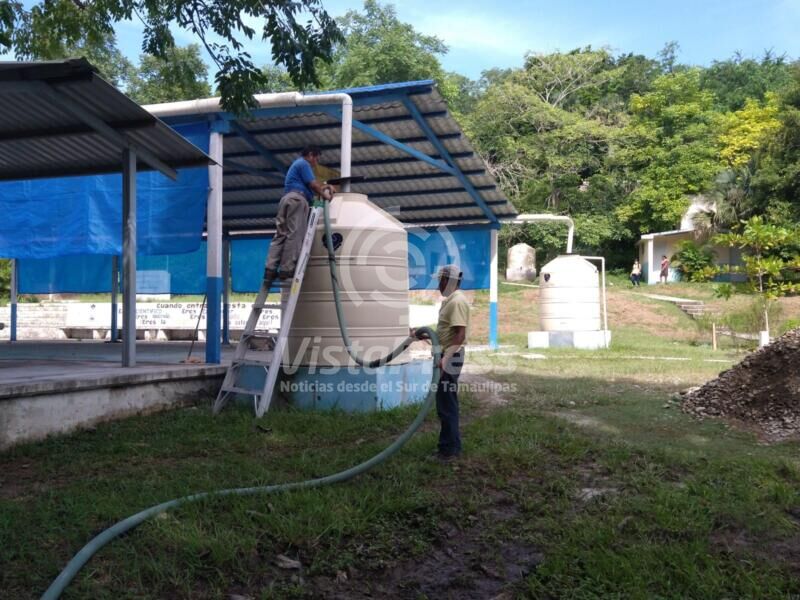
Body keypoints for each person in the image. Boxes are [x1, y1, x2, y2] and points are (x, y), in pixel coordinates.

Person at [263, 145, 334, 286]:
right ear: (311, 155)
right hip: (297, 200)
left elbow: (312, 186)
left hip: (287, 199)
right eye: (316, 159)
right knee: (295, 234)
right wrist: (325, 194)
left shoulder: (296, 166)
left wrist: (324, 186)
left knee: (281, 235)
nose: (316, 163)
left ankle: (270, 269)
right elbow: (313, 185)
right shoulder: (304, 164)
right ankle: (287, 270)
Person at [433, 264, 470, 461]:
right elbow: (446, 333)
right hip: (447, 356)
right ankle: (447, 447)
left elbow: (460, 335)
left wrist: (446, 358)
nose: (438, 283)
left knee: (447, 404)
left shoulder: (456, 302)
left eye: (440, 279)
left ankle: (449, 451)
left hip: (451, 357)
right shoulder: (451, 301)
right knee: (444, 403)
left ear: (448, 280)